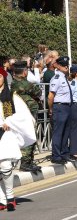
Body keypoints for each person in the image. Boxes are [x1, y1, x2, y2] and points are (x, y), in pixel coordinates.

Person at [0, 67, 36, 211]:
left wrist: (9, 122)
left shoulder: (11, 96)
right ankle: (1, 199)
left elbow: (22, 116)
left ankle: (9, 197)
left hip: (6, 134)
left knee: (6, 166)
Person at [10, 61, 42, 173]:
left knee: (25, 136)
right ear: (24, 72)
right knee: (30, 136)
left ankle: (28, 161)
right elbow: (38, 93)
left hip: (20, 114)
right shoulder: (26, 84)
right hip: (28, 113)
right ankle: (26, 163)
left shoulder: (13, 83)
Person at [48, 56, 74, 164]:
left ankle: (64, 153)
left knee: (65, 132)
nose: (66, 67)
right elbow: (50, 96)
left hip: (67, 107)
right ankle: (56, 156)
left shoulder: (64, 77)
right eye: (63, 65)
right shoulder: (56, 78)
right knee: (58, 132)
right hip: (59, 107)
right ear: (57, 66)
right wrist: (51, 109)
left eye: (66, 65)